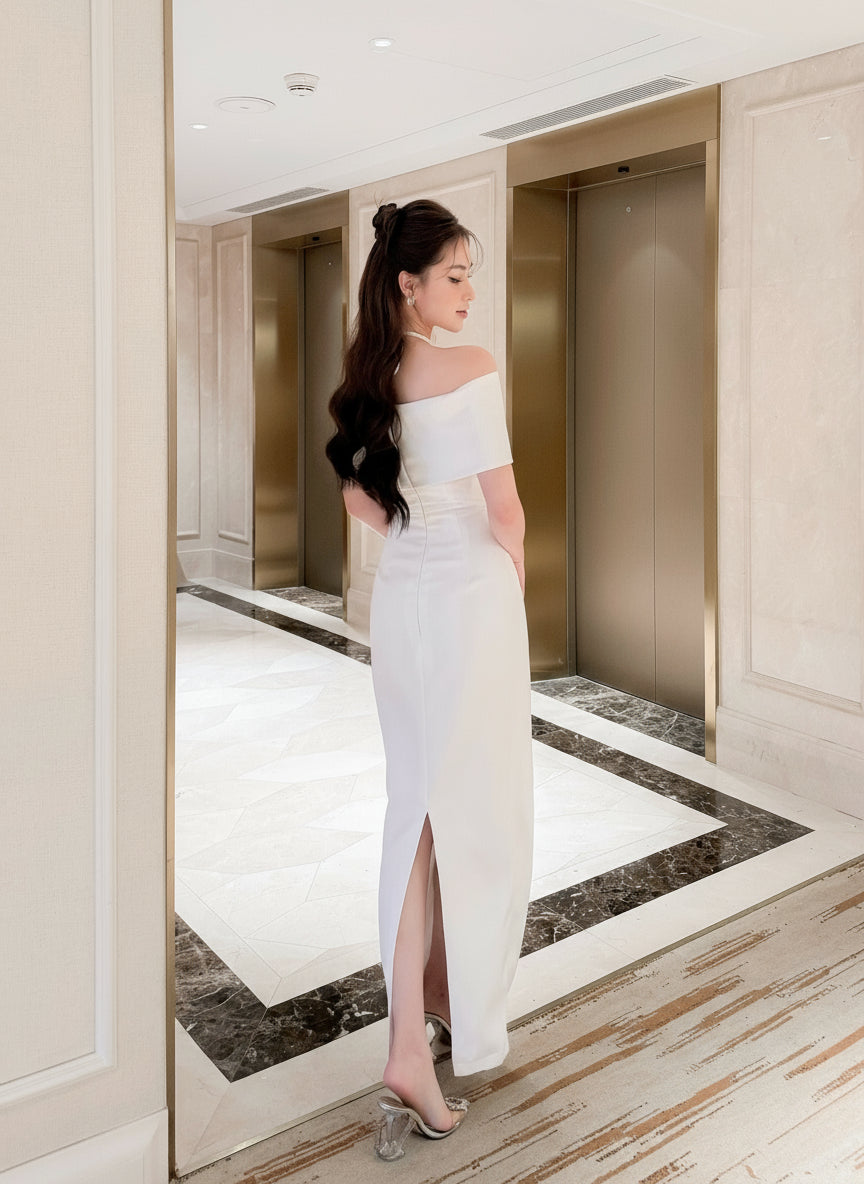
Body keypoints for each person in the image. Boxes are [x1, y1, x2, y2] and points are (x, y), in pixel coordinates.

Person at [326, 198, 534, 1160]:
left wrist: (423, 534)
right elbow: (507, 510)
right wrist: (511, 585)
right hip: (469, 605)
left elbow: (361, 506)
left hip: (404, 605)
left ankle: (426, 1010)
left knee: (414, 810)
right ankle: (418, 1037)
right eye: (455, 275)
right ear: (408, 283)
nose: (468, 292)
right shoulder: (472, 371)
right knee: (475, 809)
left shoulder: (374, 377)